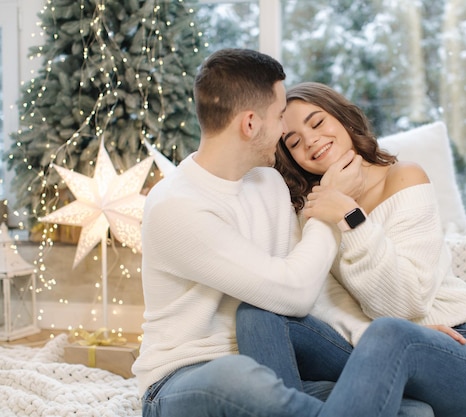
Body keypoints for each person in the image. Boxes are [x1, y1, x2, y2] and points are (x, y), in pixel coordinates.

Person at [133, 48, 445, 417]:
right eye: (281, 116)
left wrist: (392, 338)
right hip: (186, 378)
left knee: (415, 412)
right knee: (239, 377)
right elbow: (292, 292)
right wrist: (334, 204)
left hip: (273, 370)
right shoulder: (177, 207)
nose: (285, 131)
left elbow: (313, 291)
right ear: (250, 124)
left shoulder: (268, 183)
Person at [236, 82, 466, 417]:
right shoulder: (311, 211)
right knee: (259, 312)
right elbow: (318, 303)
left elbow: (406, 305)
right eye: (293, 141)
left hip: (459, 354)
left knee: (389, 332)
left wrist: (351, 217)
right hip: (369, 350)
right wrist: (328, 213)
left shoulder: (404, 177)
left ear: (343, 118)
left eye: (317, 123)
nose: (310, 140)